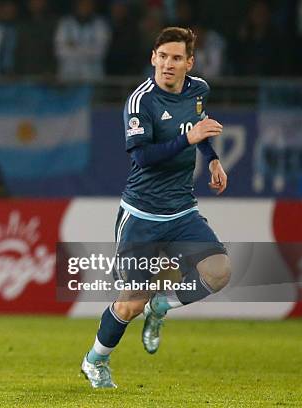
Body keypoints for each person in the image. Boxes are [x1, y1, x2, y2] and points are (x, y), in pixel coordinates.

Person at [81, 27, 231, 388]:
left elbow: (200, 127)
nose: (167, 64)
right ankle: (95, 361)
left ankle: (161, 306)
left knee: (219, 272)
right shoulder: (140, 102)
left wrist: (211, 159)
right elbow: (143, 158)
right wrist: (188, 139)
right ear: (153, 58)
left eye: (176, 58)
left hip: (182, 211)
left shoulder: (198, 90)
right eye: (162, 57)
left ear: (189, 63)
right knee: (130, 304)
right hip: (142, 216)